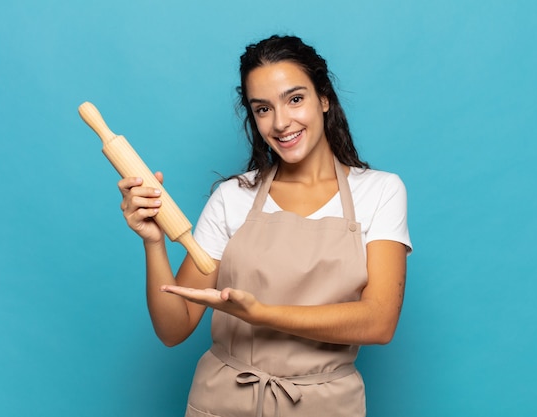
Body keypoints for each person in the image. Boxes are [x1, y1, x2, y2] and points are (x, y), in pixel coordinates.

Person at [118, 35, 412, 417]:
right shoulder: (232, 196)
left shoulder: (380, 192)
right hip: (221, 400)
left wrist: (261, 314)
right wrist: (153, 242)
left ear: (324, 98)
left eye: (295, 99)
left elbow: (379, 321)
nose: (281, 122)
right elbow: (174, 329)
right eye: (262, 109)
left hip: (324, 405)